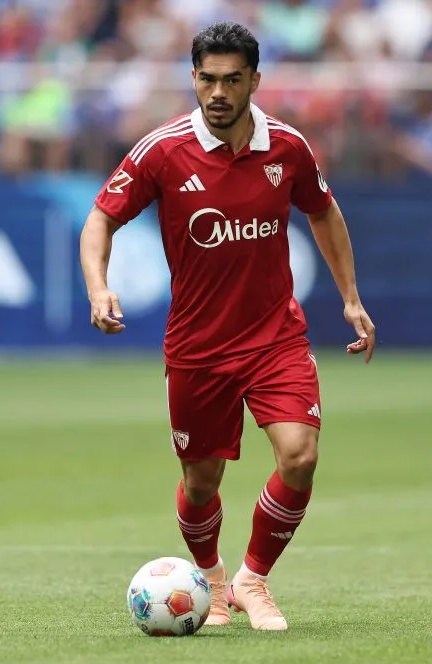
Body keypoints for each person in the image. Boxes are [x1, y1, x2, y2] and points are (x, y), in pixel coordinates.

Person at [79, 21, 376, 631]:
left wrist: (350, 298)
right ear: (193, 78)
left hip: (275, 339)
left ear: (254, 81)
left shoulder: (287, 147)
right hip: (198, 347)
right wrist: (98, 287)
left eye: (232, 80)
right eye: (207, 79)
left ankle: (252, 579)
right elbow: (100, 219)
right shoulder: (162, 151)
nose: (218, 92)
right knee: (200, 482)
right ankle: (212, 582)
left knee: (300, 456)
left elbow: (325, 213)